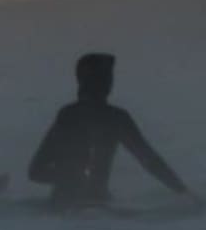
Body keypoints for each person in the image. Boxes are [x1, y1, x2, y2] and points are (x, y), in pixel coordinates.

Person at [28, 53, 189, 208]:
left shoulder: (69, 115)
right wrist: (183, 191)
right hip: (95, 206)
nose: (109, 83)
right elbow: (149, 160)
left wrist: (69, 177)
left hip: (64, 205)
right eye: (106, 78)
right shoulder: (114, 118)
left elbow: (36, 171)